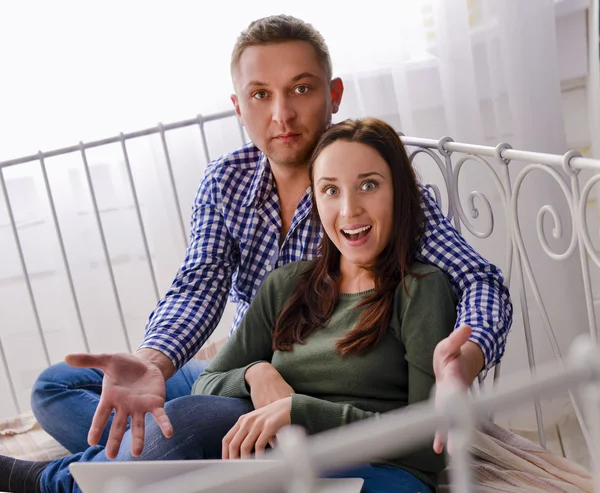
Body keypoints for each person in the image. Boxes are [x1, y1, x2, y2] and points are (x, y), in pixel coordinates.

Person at [30, 13, 511, 463]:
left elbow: (479, 281)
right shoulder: (226, 181)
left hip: (317, 394)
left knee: (191, 426)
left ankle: (91, 475)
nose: (282, 114)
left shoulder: (372, 186)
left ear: (334, 93)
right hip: (240, 372)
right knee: (54, 386)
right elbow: (199, 287)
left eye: (301, 89)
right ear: (238, 106)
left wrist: (464, 361)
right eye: (261, 95)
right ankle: (156, 464)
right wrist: (155, 361)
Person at [1, 117, 459, 493]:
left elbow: (425, 443)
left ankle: (55, 482)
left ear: (399, 191)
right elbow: (212, 382)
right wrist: (256, 373)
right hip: (269, 445)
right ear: (315, 201)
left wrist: (299, 410)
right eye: (331, 190)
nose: (350, 210)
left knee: (193, 427)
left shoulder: (422, 289)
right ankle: (99, 474)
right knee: (190, 418)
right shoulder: (289, 285)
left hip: (371, 465)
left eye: (369, 185)